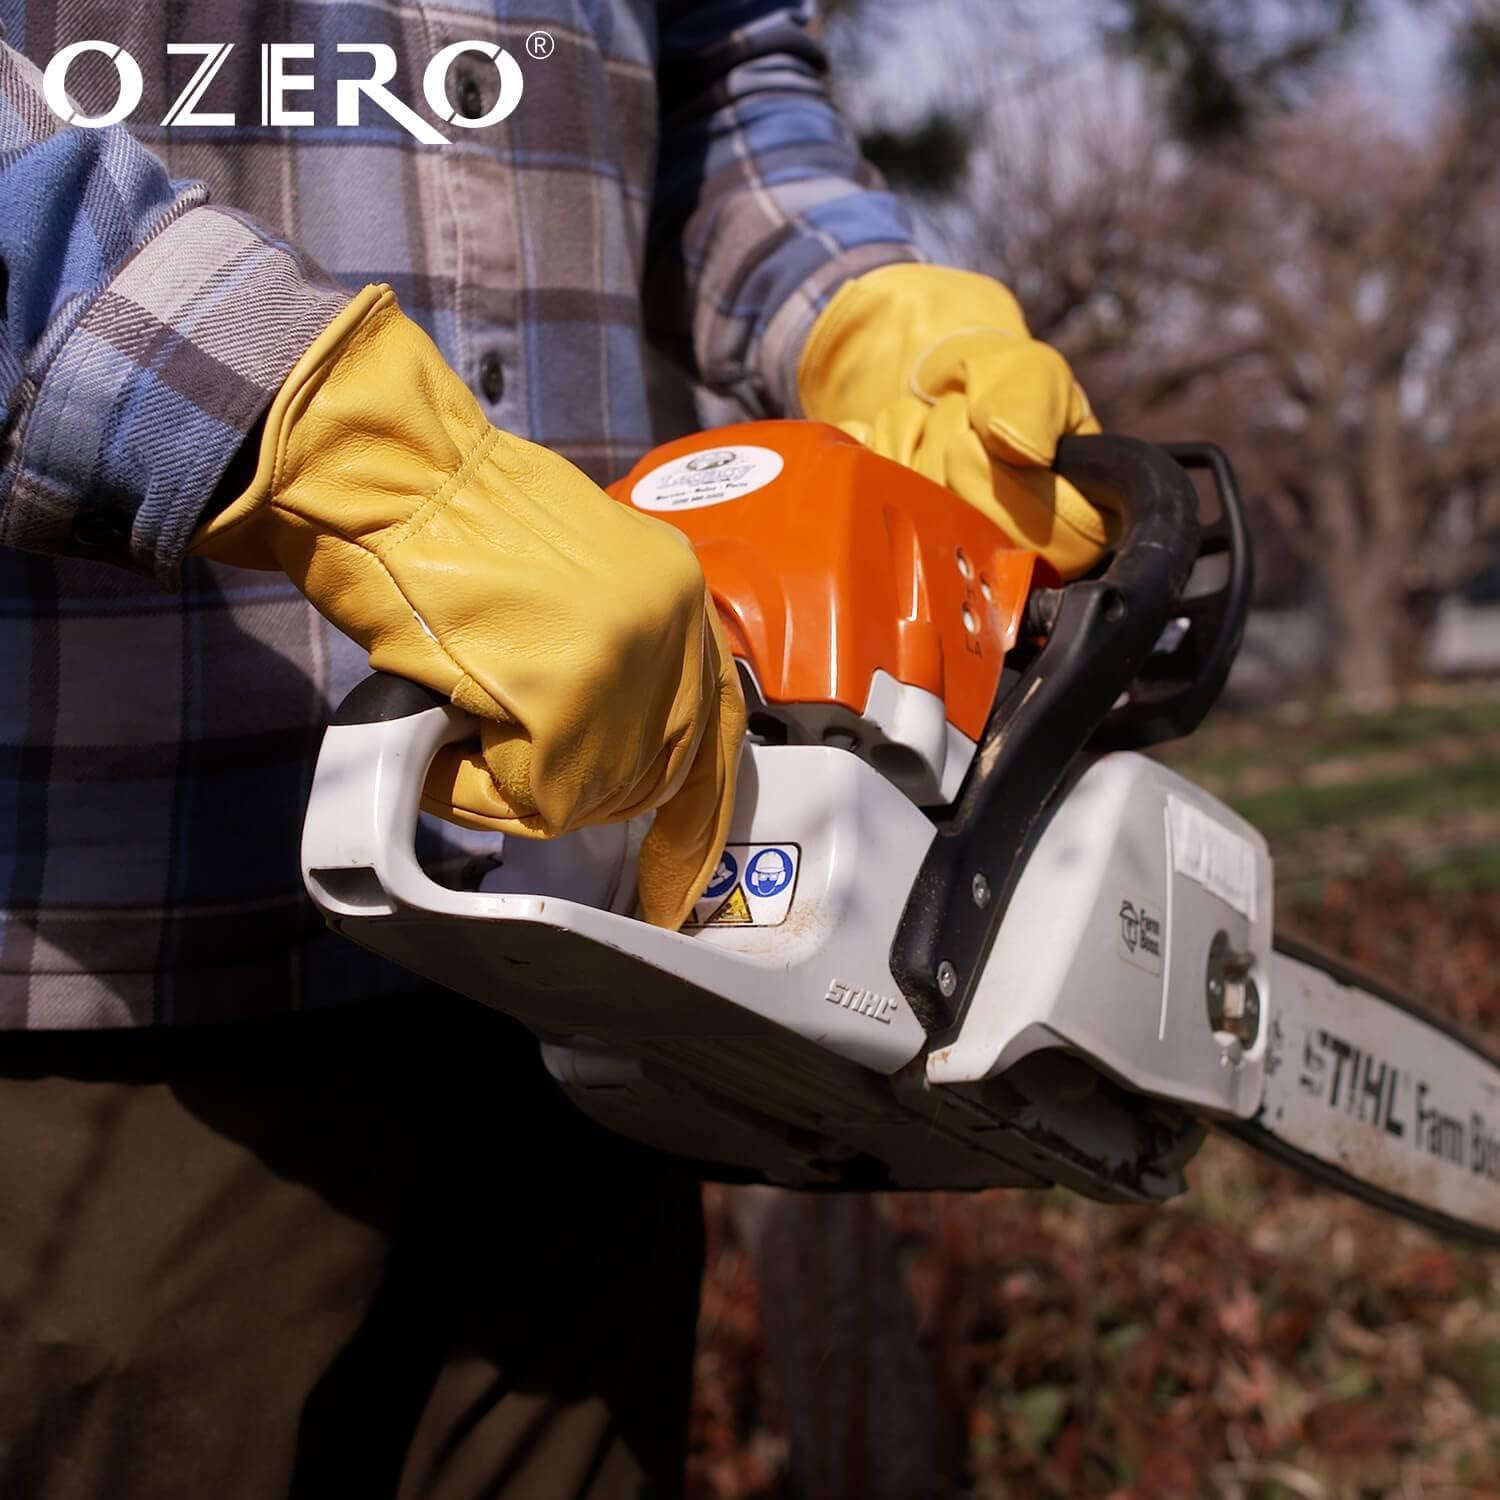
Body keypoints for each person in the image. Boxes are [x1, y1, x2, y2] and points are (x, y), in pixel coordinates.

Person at [0, 6, 1110, 1496]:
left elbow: (721, 80)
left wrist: (867, 309)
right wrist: (317, 441)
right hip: (115, 978)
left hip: (600, 955)